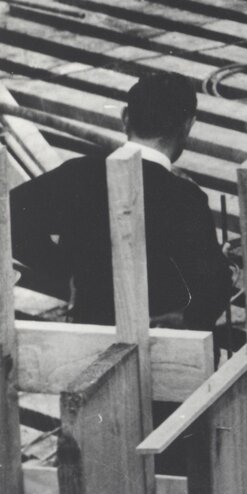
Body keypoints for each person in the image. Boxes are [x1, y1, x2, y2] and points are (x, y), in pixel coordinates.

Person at [10, 71, 232, 331]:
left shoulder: (77, 174)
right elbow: (213, 288)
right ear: (188, 125)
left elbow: (11, 217)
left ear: (125, 117)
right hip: (158, 341)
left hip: (88, 332)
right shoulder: (186, 198)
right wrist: (187, 319)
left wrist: (68, 272)